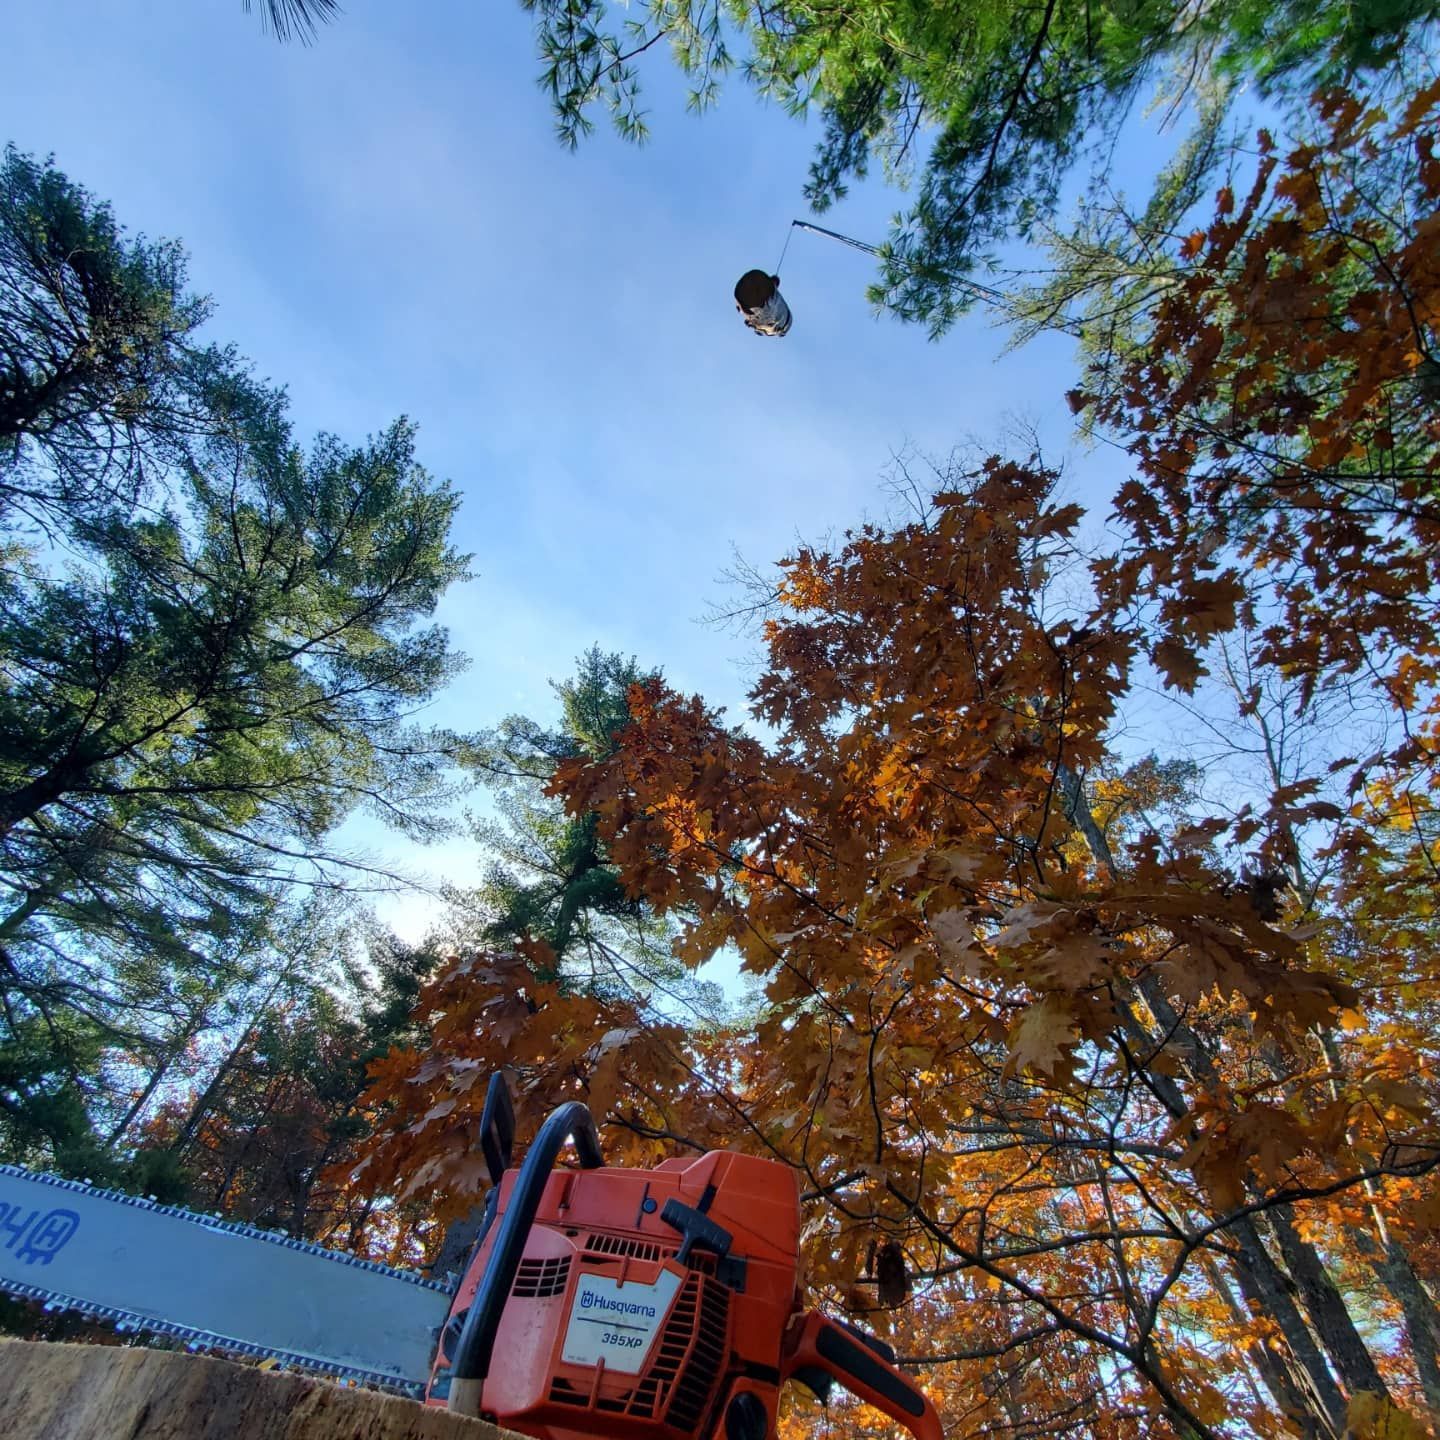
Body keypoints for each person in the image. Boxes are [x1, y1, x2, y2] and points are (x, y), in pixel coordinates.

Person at [734, 270, 792, 337]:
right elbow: (768, 324)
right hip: (757, 299)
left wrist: (773, 283)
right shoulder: (774, 326)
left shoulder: (781, 313)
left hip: (758, 281)